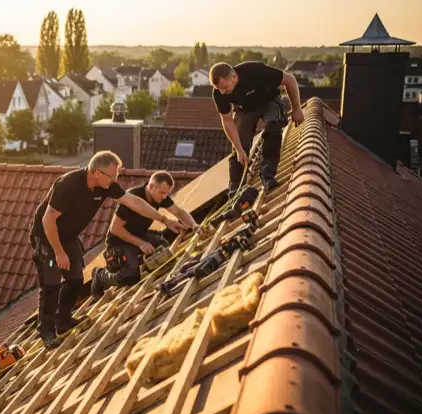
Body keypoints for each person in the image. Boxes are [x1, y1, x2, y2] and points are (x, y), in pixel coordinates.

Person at [29, 151, 177, 350]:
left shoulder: (106, 185)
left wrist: (164, 219)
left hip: (68, 237)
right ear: (97, 173)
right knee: (51, 283)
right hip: (46, 237)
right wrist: (59, 252)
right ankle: (46, 331)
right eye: (112, 175)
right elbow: (48, 219)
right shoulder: (68, 185)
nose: (116, 180)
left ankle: (63, 320)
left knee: (75, 278)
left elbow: (134, 202)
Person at [90, 171, 198, 298]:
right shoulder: (131, 197)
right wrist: (140, 243)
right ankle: (99, 276)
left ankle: (143, 264)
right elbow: (115, 229)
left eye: (167, 194)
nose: (164, 197)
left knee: (163, 247)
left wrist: (194, 225)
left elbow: (178, 211)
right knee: (131, 276)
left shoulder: (158, 196)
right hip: (119, 241)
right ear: (151, 187)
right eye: (162, 193)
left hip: (139, 234)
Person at [209, 61, 305, 197]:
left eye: (225, 87)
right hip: (245, 109)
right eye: (219, 89)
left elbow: (290, 80)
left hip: (269, 100)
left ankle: (267, 175)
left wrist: (296, 108)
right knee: (240, 143)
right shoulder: (219, 93)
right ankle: (235, 187)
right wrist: (239, 150)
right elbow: (227, 121)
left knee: (273, 127)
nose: (222, 92)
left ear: (234, 77)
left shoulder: (255, 70)